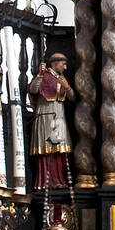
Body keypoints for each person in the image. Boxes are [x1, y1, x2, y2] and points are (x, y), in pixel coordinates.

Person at [27, 51, 75, 190]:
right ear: (54, 64)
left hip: (58, 117)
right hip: (46, 117)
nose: (65, 67)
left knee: (59, 151)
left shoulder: (62, 78)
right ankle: (45, 181)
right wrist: (40, 75)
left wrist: (67, 87)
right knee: (47, 150)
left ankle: (59, 179)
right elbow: (33, 89)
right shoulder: (44, 76)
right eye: (63, 64)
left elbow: (73, 97)